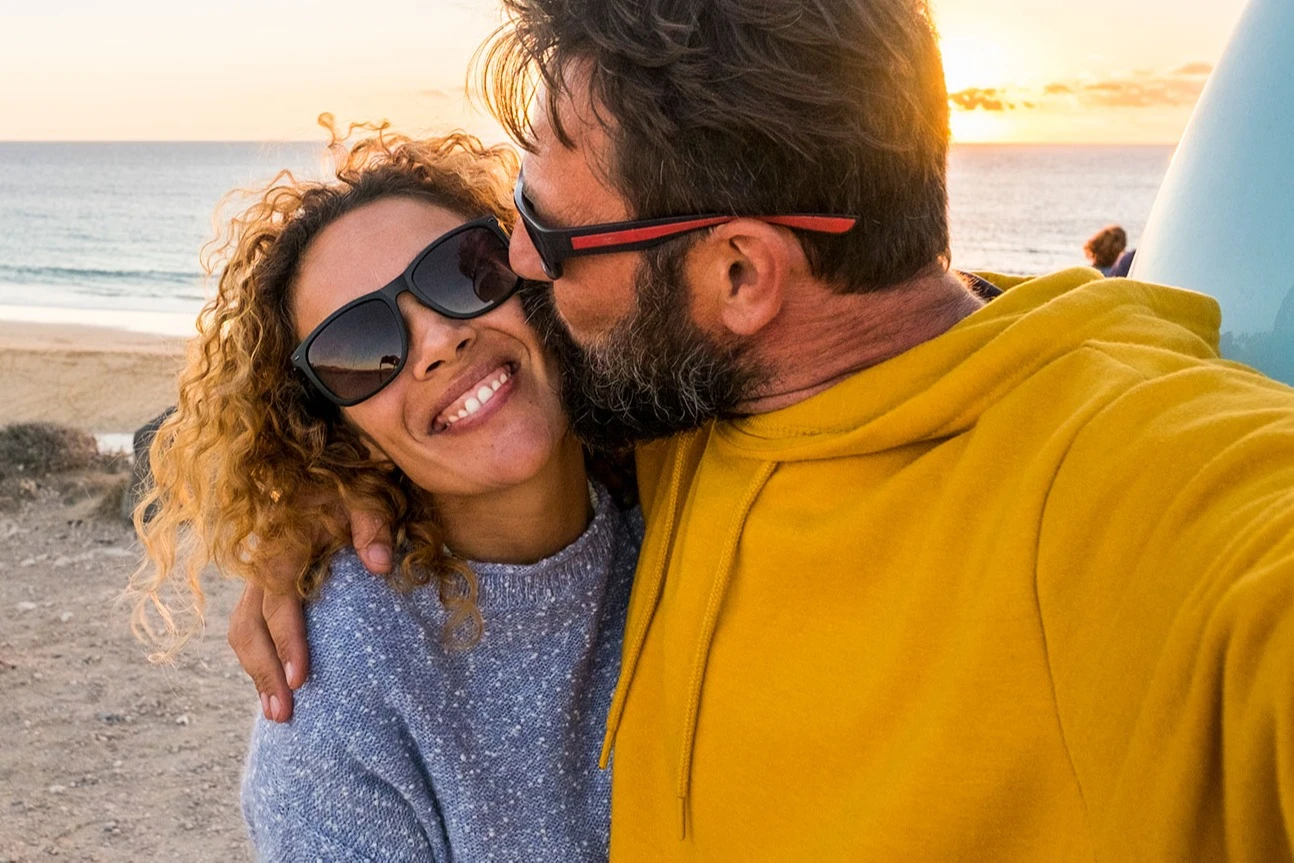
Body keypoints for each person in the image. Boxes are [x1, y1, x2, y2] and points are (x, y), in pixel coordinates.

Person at [234, 1, 1294, 859]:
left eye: (549, 230)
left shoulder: (1141, 486)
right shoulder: (684, 413)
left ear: (739, 274)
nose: (516, 264)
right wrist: (315, 500)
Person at [130, 126, 640, 861]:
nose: (437, 341)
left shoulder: (683, 478)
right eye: (362, 348)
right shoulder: (342, 678)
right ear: (346, 435)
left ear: (529, 273)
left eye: (463, 271)